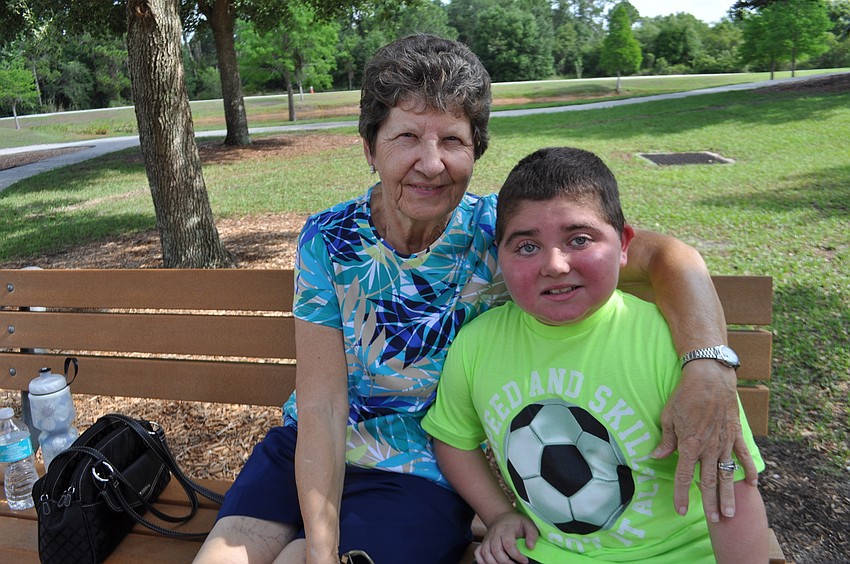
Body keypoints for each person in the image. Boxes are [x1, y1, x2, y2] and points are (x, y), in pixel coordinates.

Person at [194, 35, 756, 564]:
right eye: (407, 137)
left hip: (420, 468)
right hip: (310, 448)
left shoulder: (511, 237)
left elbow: (665, 257)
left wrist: (708, 366)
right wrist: (320, 538)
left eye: (453, 141)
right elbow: (321, 404)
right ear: (370, 148)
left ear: (476, 150)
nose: (432, 163)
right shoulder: (330, 239)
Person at [421, 147, 768, 563]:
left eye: (579, 240)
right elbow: (452, 438)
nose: (555, 264)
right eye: (526, 247)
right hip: (545, 554)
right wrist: (497, 514)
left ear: (623, 244)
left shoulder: (670, 346)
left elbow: (731, 498)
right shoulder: (477, 344)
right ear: (500, 256)